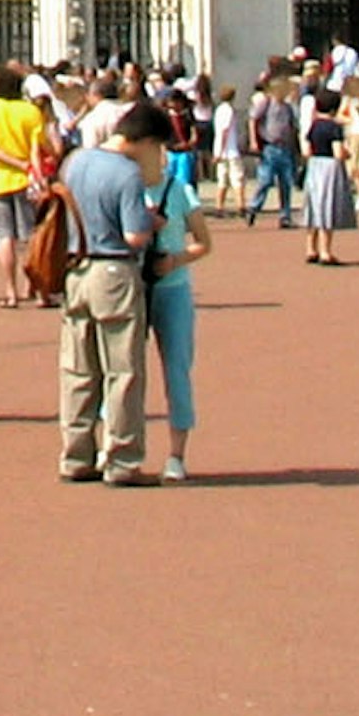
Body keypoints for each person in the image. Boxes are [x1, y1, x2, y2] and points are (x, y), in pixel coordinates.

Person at [55, 103, 170, 485]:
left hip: (76, 267)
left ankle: (76, 453)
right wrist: (152, 223)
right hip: (115, 270)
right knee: (122, 370)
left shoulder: (75, 161)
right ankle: (122, 458)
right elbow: (135, 235)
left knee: (78, 369)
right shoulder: (127, 174)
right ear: (147, 141)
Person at [148, 133, 212, 481]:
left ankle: (176, 454)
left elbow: (204, 242)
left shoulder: (178, 190)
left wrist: (175, 260)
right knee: (122, 370)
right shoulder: (127, 189)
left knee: (177, 368)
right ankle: (114, 444)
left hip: (173, 288)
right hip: (136, 288)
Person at [0, 68, 47, 308]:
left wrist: (14, 163)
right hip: (26, 181)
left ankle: (10, 290)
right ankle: (34, 287)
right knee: (30, 237)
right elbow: (37, 149)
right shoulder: (31, 111)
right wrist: (33, 171)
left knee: (5, 236)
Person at [297, 87, 357, 267]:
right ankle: (325, 251)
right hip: (330, 168)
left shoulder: (314, 125)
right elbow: (338, 153)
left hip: (314, 166)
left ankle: (310, 248)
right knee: (327, 207)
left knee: (313, 206)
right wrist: (348, 153)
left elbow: (307, 150)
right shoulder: (334, 127)